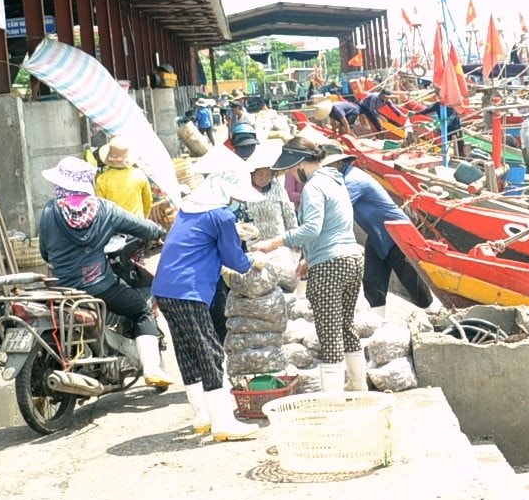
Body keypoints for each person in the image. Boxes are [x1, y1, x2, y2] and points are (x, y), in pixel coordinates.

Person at [152, 154, 262, 440]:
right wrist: (253, 259)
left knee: (188, 352)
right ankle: (223, 422)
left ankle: (202, 415)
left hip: (165, 289)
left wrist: (233, 233)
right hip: (188, 290)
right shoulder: (222, 215)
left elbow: (197, 239)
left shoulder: (190, 210)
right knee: (209, 351)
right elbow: (234, 259)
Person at [36, 156, 172, 387]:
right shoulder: (105, 210)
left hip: (62, 288)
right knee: (142, 312)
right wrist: (161, 231)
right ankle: (151, 368)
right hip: (99, 285)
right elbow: (143, 227)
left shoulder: (50, 210)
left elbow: (45, 254)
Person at [256, 139, 365, 394]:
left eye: (293, 170)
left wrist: (275, 242)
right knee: (346, 326)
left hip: (331, 265)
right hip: (352, 258)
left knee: (329, 334)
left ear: (302, 163)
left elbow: (312, 228)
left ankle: (334, 400)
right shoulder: (334, 180)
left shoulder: (314, 186)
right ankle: (358, 386)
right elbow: (335, 225)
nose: (293, 175)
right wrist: (308, 258)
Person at [337, 153, 433, 325]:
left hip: (396, 232)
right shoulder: (346, 177)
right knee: (372, 280)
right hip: (378, 233)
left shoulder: (352, 180)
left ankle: (432, 315)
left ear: (338, 162)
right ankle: (377, 322)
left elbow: (337, 210)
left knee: (410, 279)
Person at [93, 140, 156, 220]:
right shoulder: (139, 175)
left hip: (114, 227)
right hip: (138, 225)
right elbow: (148, 202)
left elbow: (100, 209)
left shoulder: (102, 179)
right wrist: (144, 220)